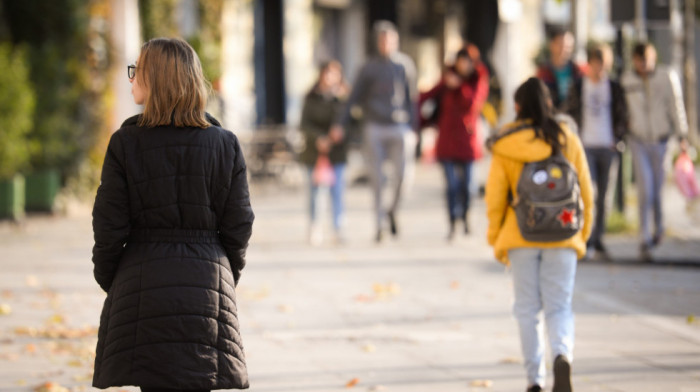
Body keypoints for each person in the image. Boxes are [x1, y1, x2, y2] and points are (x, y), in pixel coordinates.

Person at [91, 38, 254, 391]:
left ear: (156, 80)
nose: (130, 79)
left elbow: (108, 227)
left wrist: (114, 280)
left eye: (137, 71)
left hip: (141, 287)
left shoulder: (125, 143)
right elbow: (239, 226)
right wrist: (224, 274)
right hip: (208, 286)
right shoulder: (225, 145)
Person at [485, 77, 593, 392]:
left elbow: (495, 197)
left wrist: (496, 237)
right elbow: (586, 189)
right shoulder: (567, 138)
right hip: (563, 232)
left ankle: (534, 381)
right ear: (549, 104)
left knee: (526, 309)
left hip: (520, 235)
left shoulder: (506, 143)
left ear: (517, 107)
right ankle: (562, 355)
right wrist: (582, 233)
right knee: (560, 306)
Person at [332, 20, 417, 242]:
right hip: (375, 126)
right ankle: (379, 223)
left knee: (403, 176)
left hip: (400, 125)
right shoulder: (368, 67)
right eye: (382, 39)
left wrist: (415, 129)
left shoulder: (405, 66)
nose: (386, 43)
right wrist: (340, 123)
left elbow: (412, 100)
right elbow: (353, 98)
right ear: (377, 42)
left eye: (390, 39)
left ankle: (392, 211)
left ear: (396, 41)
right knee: (377, 178)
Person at [621, 42, 688, 261]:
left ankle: (659, 228)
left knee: (658, 190)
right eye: (639, 61)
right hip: (638, 140)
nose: (643, 65)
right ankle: (644, 238)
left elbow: (676, 106)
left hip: (661, 140)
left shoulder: (666, 76)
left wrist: (682, 135)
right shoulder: (627, 80)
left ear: (653, 57)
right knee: (645, 190)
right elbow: (622, 108)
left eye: (646, 59)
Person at [564, 43, 629, 260]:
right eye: (596, 66)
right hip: (586, 147)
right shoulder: (580, 86)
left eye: (603, 67)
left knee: (605, 196)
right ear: (589, 64)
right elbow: (569, 111)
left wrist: (617, 138)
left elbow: (622, 114)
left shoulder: (614, 87)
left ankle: (599, 238)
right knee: (587, 193)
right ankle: (587, 237)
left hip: (608, 146)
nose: (599, 71)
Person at [419, 45, 489, 239]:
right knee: (451, 186)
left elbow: (474, 104)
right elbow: (427, 95)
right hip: (447, 141)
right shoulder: (447, 78)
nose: (463, 65)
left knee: (468, 186)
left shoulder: (478, 80)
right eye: (460, 61)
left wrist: (459, 85)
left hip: (468, 141)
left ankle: (465, 216)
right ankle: (452, 222)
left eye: (467, 61)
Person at [299, 60, 349, 245]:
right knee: (315, 193)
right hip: (314, 153)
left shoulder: (344, 99)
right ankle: (315, 227)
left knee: (337, 192)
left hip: (337, 153)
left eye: (334, 74)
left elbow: (353, 123)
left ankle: (338, 228)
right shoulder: (311, 97)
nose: (330, 78)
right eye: (327, 73)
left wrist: (341, 132)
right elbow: (304, 124)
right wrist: (318, 138)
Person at [537, 27, 586, 111]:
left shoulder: (579, 71)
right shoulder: (543, 73)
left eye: (568, 46)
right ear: (551, 45)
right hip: (552, 119)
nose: (564, 49)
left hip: (573, 120)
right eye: (560, 45)